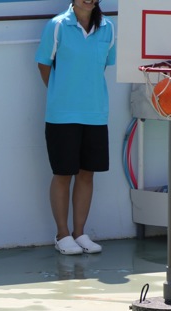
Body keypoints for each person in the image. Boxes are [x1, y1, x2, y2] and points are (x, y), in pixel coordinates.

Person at [35, 0, 115, 255]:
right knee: (63, 174)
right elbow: (43, 64)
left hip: (95, 114)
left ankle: (80, 233)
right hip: (62, 115)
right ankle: (62, 235)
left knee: (87, 173)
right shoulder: (57, 26)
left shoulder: (108, 28)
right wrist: (62, 93)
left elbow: (102, 65)